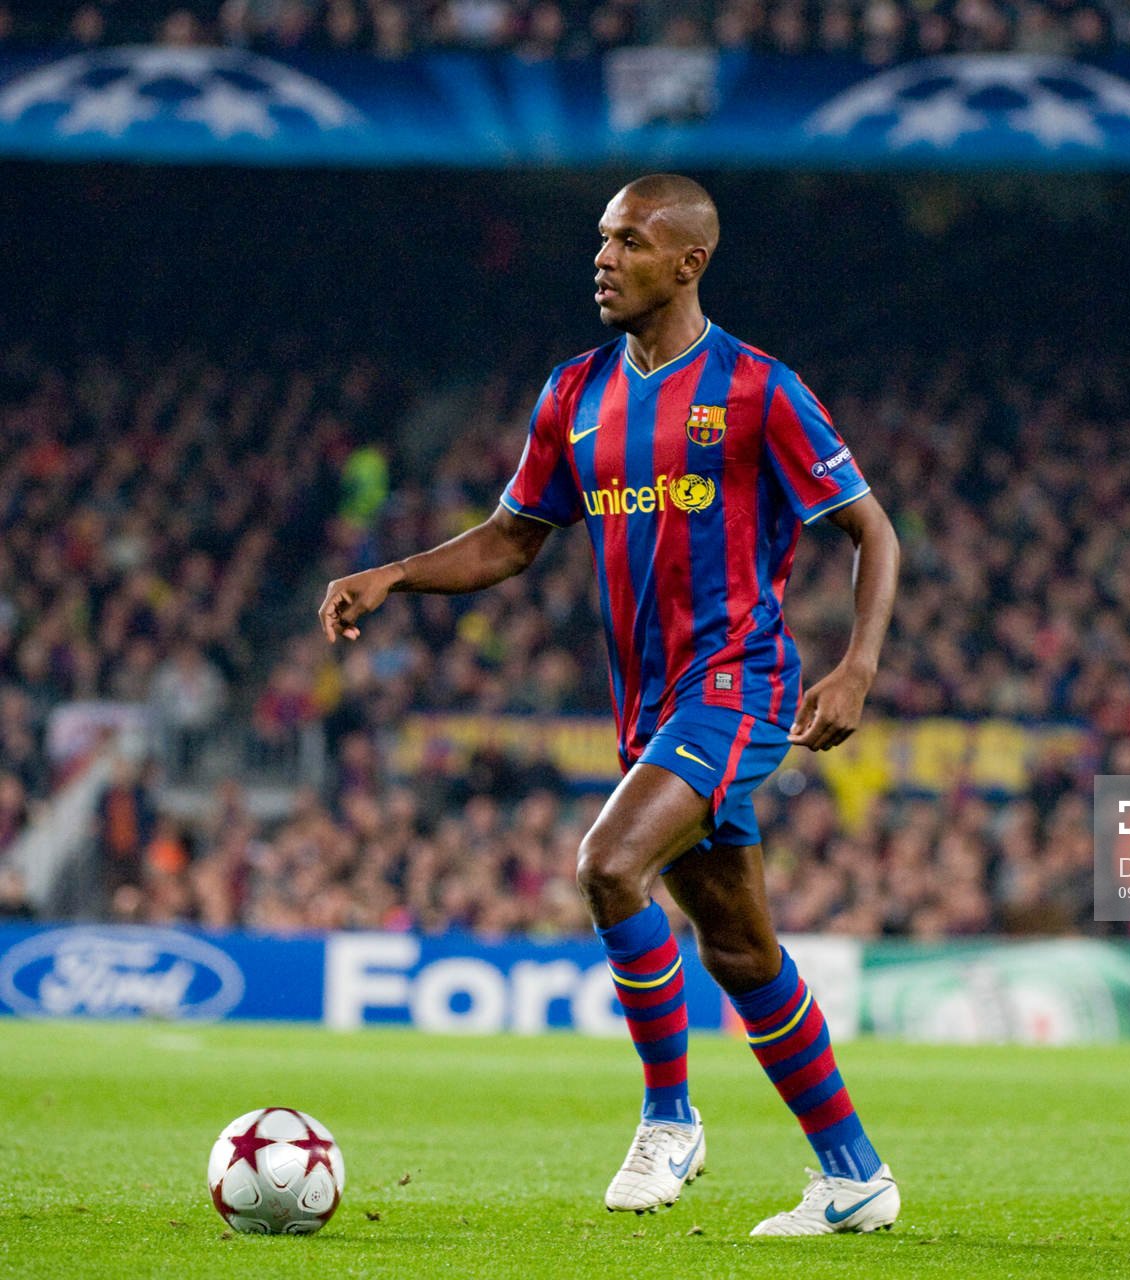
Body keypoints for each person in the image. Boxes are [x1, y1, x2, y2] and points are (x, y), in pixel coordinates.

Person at [318, 174, 902, 1237]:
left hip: (740, 681)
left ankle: (669, 1116)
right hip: (649, 706)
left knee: (606, 861)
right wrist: (394, 573)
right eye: (599, 239)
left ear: (688, 263)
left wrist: (857, 663)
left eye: (628, 241)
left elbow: (873, 530)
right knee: (739, 947)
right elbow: (511, 538)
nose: (601, 257)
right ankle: (854, 1172)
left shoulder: (761, 388)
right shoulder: (573, 393)